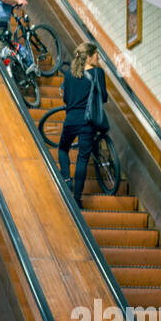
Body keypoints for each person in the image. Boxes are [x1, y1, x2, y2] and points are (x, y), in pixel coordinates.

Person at [57, 42, 107, 207]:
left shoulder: (69, 75)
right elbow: (104, 97)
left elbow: (66, 99)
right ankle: (77, 199)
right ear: (90, 56)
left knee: (63, 149)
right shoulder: (98, 73)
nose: (98, 57)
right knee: (82, 159)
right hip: (87, 122)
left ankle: (66, 179)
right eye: (97, 55)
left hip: (70, 120)